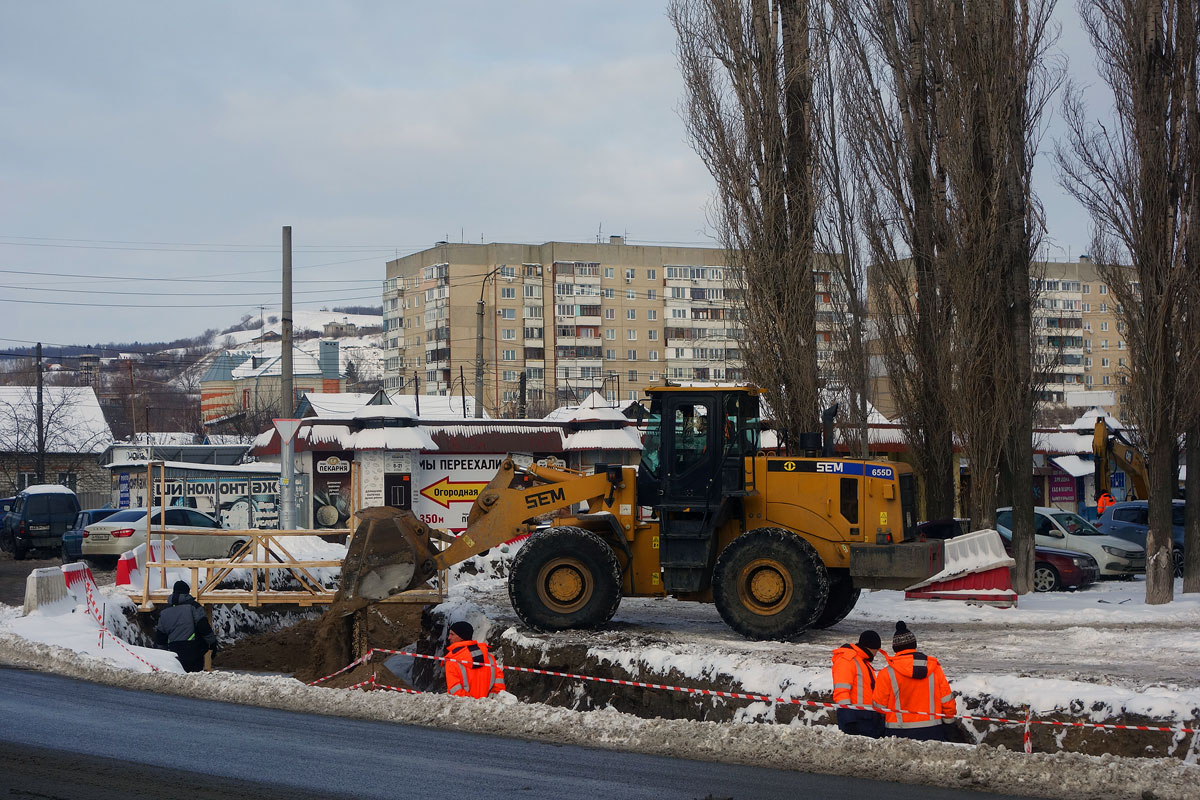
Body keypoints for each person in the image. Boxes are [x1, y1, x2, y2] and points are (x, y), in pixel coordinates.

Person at [874, 621, 956, 741]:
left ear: (895, 648)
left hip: (897, 733)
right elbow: (947, 702)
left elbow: (879, 706)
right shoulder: (934, 669)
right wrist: (949, 725)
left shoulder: (886, 673)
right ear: (914, 645)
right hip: (933, 730)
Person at [831, 630, 886, 738]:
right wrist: (849, 720)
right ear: (871, 647)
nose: (876, 654)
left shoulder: (861, 661)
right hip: (857, 719)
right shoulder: (847, 660)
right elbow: (841, 692)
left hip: (867, 718)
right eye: (876, 650)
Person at [154, 580, 218, 673]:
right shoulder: (194, 606)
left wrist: (162, 655)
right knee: (194, 678)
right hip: (194, 650)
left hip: (174, 651)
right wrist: (212, 643)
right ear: (187, 592)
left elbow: (160, 636)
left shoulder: (164, 611)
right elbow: (203, 627)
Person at [443, 621, 505, 698]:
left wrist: (472, 705)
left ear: (461, 637)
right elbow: (499, 686)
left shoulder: (452, 661)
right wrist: (488, 702)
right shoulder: (489, 658)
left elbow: (455, 691)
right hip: (487, 707)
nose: (449, 637)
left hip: (465, 707)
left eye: (452, 634)